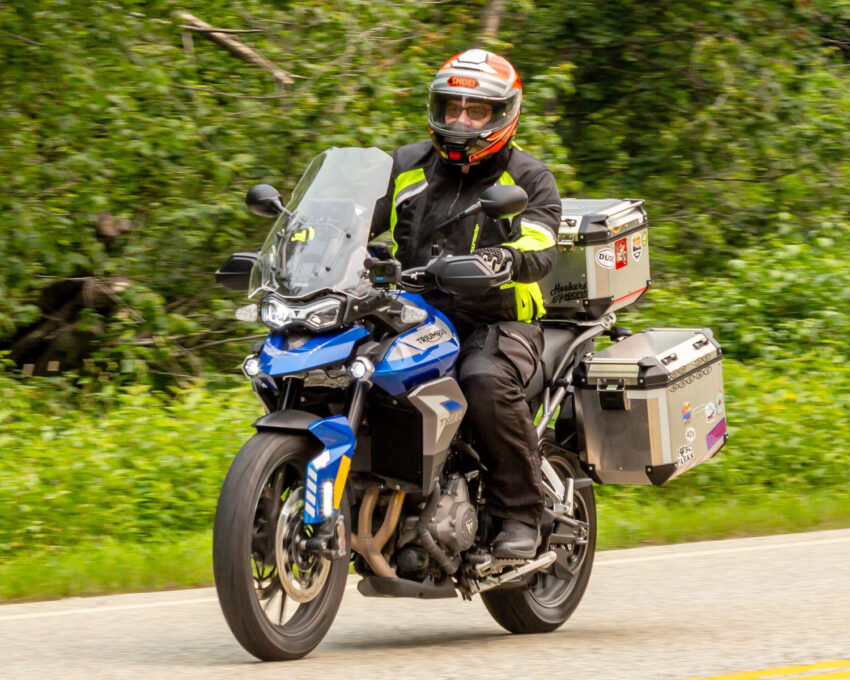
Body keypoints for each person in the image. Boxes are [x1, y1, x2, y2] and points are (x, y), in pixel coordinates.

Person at [370, 49, 561, 559]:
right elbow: (351, 222)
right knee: (348, 368)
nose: (459, 120)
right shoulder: (404, 166)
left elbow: (542, 243)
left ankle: (523, 512)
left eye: (474, 111)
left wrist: (505, 258)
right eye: (450, 107)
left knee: (483, 379)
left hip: (498, 320)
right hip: (412, 314)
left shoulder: (528, 178)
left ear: (503, 115)